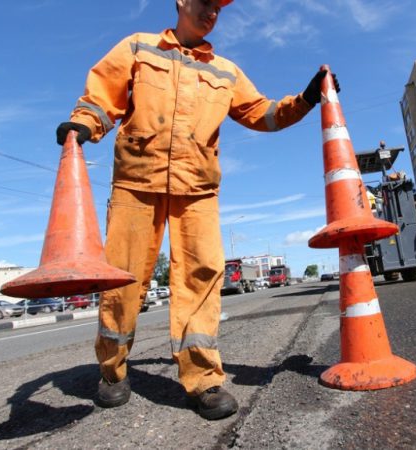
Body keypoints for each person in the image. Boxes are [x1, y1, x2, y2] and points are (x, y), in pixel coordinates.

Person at [55, 0, 340, 421]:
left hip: (198, 188)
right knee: (123, 277)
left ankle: (203, 379)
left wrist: (306, 98)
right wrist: (84, 124)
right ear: (182, 2)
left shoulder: (224, 70)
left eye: (218, 8)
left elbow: (262, 113)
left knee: (203, 274)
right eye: (205, 3)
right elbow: (102, 96)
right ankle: (113, 371)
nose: (212, 13)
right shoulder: (139, 48)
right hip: (137, 181)